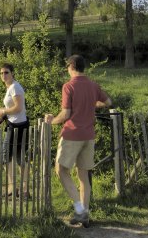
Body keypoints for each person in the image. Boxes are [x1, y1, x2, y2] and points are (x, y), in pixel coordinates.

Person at [44, 54, 111, 226]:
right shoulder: (93, 85)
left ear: (71, 66)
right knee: (84, 175)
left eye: (67, 67)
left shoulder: (69, 86)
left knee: (61, 170)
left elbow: (65, 114)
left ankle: (80, 210)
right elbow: (108, 102)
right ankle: (85, 214)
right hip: (89, 135)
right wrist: (92, 104)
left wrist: (52, 121)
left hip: (72, 135)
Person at [0, 62, 29, 198]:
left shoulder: (15, 87)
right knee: (14, 158)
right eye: (1, 73)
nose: (3, 75)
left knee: (8, 157)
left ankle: (18, 189)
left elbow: (18, 108)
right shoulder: (11, 87)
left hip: (17, 126)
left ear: (12, 73)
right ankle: (19, 189)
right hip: (16, 124)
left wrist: (3, 111)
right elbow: (14, 109)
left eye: (6, 72)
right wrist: (3, 115)